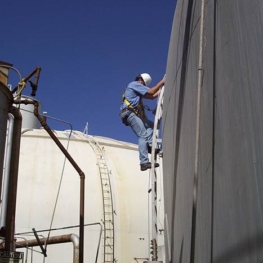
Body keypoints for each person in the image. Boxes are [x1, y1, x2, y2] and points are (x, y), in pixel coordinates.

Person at [120, 73, 165, 171]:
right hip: (129, 113)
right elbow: (152, 91)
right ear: (141, 81)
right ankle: (144, 162)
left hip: (130, 114)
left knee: (151, 125)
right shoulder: (134, 84)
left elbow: (152, 96)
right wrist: (162, 81)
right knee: (142, 135)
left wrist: (162, 90)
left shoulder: (137, 91)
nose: (143, 87)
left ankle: (149, 146)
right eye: (144, 85)